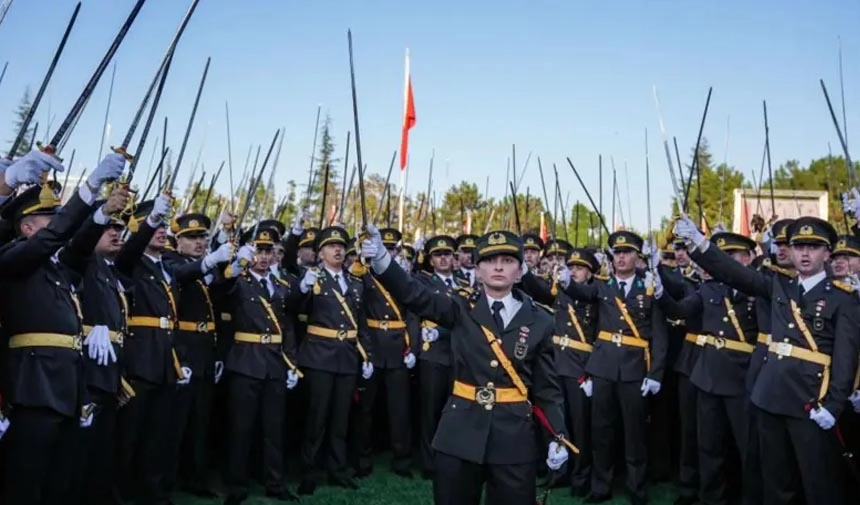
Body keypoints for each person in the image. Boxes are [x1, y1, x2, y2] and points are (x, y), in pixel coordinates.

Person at [361, 226, 571, 505]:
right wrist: (382, 262)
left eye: (508, 261)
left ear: (520, 272)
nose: (498, 267)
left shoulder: (541, 320)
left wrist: (559, 435)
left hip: (513, 437)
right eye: (489, 260)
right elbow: (414, 294)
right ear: (478, 269)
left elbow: (547, 389)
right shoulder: (460, 306)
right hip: (459, 432)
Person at [674, 213, 860, 504]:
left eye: (813, 247)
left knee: (819, 483)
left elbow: (846, 357)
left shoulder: (843, 297)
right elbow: (733, 272)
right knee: (776, 482)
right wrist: (699, 242)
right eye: (799, 247)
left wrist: (834, 404)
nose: (804, 253)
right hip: (769, 397)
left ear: (827, 252)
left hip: (811, 401)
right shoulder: (778, 286)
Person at [0, 150, 124, 504]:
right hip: (34, 382)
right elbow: (52, 239)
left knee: (60, 477)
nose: (57, 223)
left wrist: (100, 211)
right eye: (48, 218)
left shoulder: (57, 268)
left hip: (68, 381)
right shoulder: (14, 257)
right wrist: (87, 189)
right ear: (26, 227)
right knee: (27, 478)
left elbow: (80, 247)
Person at [556, 230, 669, 505]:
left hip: (633, 370)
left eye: (626, 252)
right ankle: (600, 486)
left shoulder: (650, 287)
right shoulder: (603, 286)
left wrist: (655, 374)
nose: (620, 257)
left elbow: (659, 336)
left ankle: (636, 488)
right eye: (616, 253)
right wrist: (566, 281)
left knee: (635, 435)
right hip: (603, 367)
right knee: (601, 432)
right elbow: (581, 292)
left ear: (636, 256)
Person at [657, 231, 760, 505]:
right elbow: (680, 310)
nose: (723, 262)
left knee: (749, 448)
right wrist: (660, 295)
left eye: (732, 256)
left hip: (744, 378)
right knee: (708, 446)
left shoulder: (759, 288)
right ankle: (710, 498)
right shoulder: (709, 288)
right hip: (708, 376)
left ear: (748, 258)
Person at [58, 188, 133, 505]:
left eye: (119, 229)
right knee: (77, 452)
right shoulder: (81, 260)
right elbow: (78, 249)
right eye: (108, 228)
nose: (115, 234)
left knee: (101, 448)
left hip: (109, 369)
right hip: (85, 369)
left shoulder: (109, 270)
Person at [216, 227, 300, 504]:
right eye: (259, 251)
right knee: (241, 428)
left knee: (274, 429)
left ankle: (275, 483)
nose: (263, 257)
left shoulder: (279, 285)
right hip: (246, 361)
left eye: (268, 251)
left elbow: (286, 326)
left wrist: (291, 362)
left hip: (274, 363)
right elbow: (221, 287)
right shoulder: (239, 280)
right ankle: (236, 486)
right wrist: (236, 262)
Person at [113, 193, 188, 504]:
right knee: (130, 433)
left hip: (164, 358)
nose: (161, 230)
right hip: (140, 357)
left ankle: (151, 488)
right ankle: (119, 490)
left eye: (162, 225)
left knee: (158, 432)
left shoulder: (165, 267)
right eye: (151, 225)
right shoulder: (131, 261)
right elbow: (129, 251)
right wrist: (150, 221)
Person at [288, 226, 369, 495]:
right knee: (316, 419)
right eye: (331, 246)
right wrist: (303, 287)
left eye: (341, 246)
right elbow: (292, 307)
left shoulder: (355, 282)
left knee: (340, 419)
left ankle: (337, 469)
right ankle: (309, 472)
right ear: (320, 252)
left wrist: (365, 354)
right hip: (319, 355)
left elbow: (360, 322)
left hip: (346, 356)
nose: (337, 250)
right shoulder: (311, 277)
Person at [162, 213, 233, 497]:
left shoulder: (206, 268)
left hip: (204, 350)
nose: (199, 242)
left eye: (203, 237)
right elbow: (183, 275)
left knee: (199, 423)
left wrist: (233, 266)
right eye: (192, 238)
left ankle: (195, 478)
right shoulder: (171, 262)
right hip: (183, 350)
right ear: (177, 241)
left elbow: (221, 293)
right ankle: (166, 482)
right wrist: (211, 260)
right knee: (174, 424)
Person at [351, 227, 418, 478]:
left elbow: (412, 313)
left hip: (398, 348)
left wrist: (413, 347)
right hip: (373, 345)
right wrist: (365, 351)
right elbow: (358, 312)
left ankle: (402, 460)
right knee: (365, 409)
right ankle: (363, 459)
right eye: (384, 248)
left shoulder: (402, 277)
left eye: (391, 249)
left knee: (400, 409)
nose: (387, 252)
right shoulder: (364, 275)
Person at [413, 235, 460, 479]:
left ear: (454, 258)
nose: (443, 258)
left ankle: (451, 458)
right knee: (430, 411)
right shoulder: (424, 282)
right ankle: (429, 462)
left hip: (459, 353)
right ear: (430, 260)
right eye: (438, 255)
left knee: (455, 411)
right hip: (434, 353)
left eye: (448, 254)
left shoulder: (463, 282)